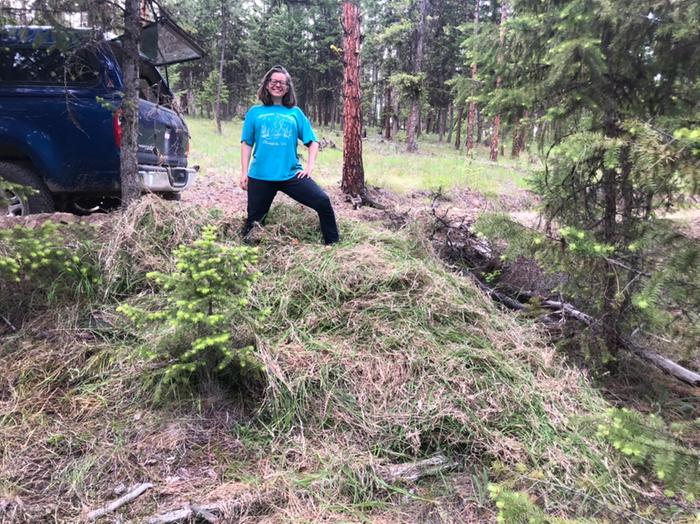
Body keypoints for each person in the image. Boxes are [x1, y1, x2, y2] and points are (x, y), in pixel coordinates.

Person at [240, 65, 339, 245]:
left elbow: (313, 142)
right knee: (254, 224)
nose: (278, 85)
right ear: (267, 85)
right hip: (260, 176)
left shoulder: (295, 113)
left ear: (287, 88)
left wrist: (309, 167)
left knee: (323, 201)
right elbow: (247, 143)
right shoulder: (255, 112)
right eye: (274, 81)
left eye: (282, 83)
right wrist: (244, 172)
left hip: (290, 175)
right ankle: (248, 255)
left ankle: (333, 245)